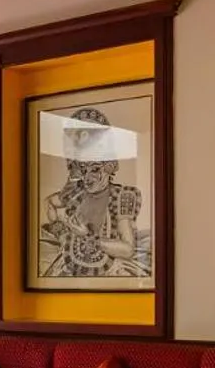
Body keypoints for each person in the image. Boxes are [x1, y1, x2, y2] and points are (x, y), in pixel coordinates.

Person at [40, 106, 146, 277]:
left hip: (111, 270)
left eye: (95, 169)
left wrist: (87, 236)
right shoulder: (77, 193)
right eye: (83, 169)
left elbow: (127, 249)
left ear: (108, 167)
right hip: (68, 264)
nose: (88, 177)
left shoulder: (122, 196)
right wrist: (60, 231)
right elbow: (48, 202)